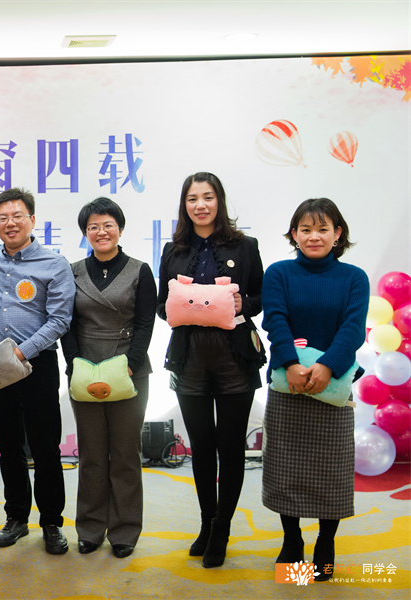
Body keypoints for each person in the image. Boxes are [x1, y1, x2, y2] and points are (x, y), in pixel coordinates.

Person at [156, 172, 265, 568]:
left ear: (219, 200)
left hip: (234, 356)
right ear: (184, 205)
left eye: (207, 197)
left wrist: (241, 305)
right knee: (201, 448)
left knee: (231, 447)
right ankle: (206, 523)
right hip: (189, 358)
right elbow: (160, 304)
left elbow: (260, 297)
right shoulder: (173, 250)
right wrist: (181, 305)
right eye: (192, 199)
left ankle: (223, 529)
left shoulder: (245, 246)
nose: (200, 205)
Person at [261, 198, 367, 581]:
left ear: (338, 234)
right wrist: (291, 364)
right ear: (294, 234)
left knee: (331, 470)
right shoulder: (278, 273)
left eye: (323, 229)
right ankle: (292, 540)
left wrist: (327, 366)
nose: (314, 236)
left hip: (333, 385)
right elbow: (275, 320)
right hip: (288, 383)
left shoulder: (354, 278)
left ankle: (326, 540)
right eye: (305, 229)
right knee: (284, 467)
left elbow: (353, 327)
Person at [60, 197, 156, 558]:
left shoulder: (140, 270)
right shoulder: (72, 271)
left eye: (108, 225)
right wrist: (74, 363)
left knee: (126, 453)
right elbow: (66, 322)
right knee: (92, 453)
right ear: (85, 233)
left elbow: (145, 322)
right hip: (84, 368)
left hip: (129, 369)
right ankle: (89, 528)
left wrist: (131, 363)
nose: (101, 232)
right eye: (93, 227)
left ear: (120, 228)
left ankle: (125, 530)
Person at [0, 188, 75, 555]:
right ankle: (16, 518)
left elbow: (60, 320)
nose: (10, 223)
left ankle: (51, 523)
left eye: (17, 216)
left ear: (32, 220)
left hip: (37, 363)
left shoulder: (54, 264)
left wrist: (21, 352)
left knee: (45, 447)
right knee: (8, 447)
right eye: (2, 218)